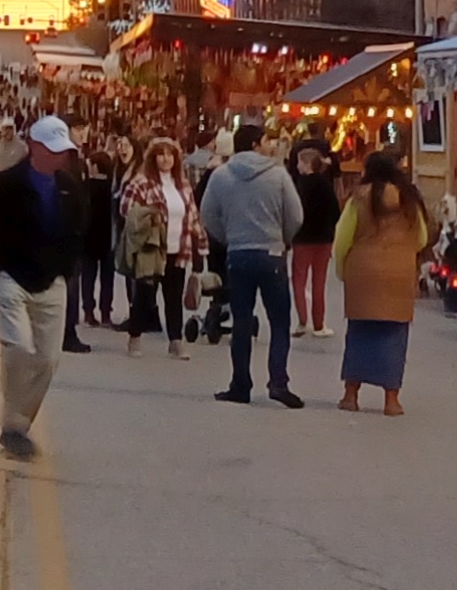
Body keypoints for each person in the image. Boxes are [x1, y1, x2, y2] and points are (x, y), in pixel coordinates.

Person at [0, 116, 87, 459]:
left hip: (52, 280)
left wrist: (66, 269)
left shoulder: (70, 186)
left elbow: (77, 229)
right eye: (54, 150)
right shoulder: (5, 185)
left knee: (47, 359)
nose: (60, 157)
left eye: (64, 151)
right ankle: (12, 423)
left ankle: (16, 423)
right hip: (12, 276)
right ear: (35, 147)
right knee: (19, 349)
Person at [200, 123, 305, 409]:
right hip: (271, 253)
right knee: (279, 321)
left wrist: (229, 236)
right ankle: (278, 382)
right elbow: (295, 215)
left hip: (238, 253)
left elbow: (208, 215)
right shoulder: (278, 175)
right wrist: (282, 238)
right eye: (266, 141)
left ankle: (240, 384)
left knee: (242, 321)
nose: (270, 145)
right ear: (257, 144)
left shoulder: (220, 175)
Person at [334, 152, 429, 415]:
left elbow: (343, 237)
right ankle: (391, 400)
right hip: (399, 273)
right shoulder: (410, 199)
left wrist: (342, 268)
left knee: (359, 333)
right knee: (394, 337)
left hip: (362, 272)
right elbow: (421, 237)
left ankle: (351, 394)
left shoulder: (359, 198)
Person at [118, 136, 203, 359]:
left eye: (170, 155)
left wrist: (200, 245)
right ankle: (134, 336)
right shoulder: (142, 182)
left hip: (178, 247)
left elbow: (193, 216)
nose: (165, 159)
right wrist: (149, 217)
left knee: (174, 297)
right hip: (152, 248)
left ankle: (176, 340)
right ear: (153, 157)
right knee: (145, 295)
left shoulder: (182, 184)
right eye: (161, 154)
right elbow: (126, 209)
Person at [289, 145, 341, 340]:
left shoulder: (298, 186)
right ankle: (319, 324)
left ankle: (302, 321)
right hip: (323, 238)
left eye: (300, 162)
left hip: (302, 238)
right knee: (319, 282)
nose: (297, 165)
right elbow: (335, 211)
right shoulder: (326, 185)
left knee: (298, 281)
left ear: (307, 164)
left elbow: (293, 212)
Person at [77, 150, 117, 329]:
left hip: (88, 238)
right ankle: (106, 312)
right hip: (108, 238)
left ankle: (88, 311)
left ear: (94, 166)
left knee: (88, 277)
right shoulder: (112, 188)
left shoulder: (85, 187)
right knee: (108, 278)